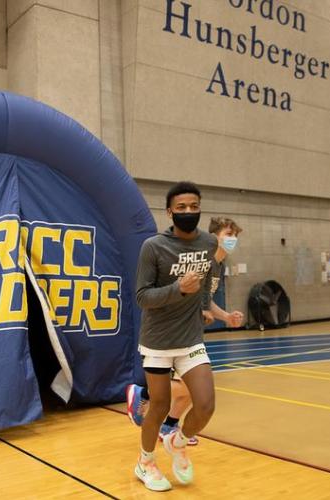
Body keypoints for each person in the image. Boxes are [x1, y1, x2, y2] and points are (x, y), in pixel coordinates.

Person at [132, 182, 244, 491]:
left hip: (191, 338)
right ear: (169, 212)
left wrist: (209, 308)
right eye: (181, 207)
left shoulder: (208, 243)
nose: (188, 212)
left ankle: (176, 442)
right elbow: (142, 296)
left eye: (194, 206)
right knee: (159, 406)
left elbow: (207, 279)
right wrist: (178, 289)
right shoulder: (153, 247)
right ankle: (145, 462)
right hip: (157, 340)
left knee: (206, 405)